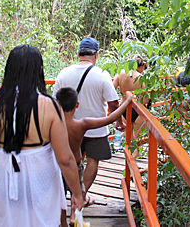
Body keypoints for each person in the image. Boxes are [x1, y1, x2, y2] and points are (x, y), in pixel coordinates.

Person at [0, 45, 84, 226]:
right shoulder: (49, 107)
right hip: (39, 181)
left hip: (3, 179)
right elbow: (65, 159)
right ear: (39, 71)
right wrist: (77, 194)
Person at [52, 37, 123, 207]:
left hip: (68, 129)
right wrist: (118, 122)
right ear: (96, 55)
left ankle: (69, 196)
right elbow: (113, 104)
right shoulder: (102, 75)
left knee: (71, 161)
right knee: (92, 161)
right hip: (95, 129)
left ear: (78, 54)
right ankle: (81, 197)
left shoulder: (63, 73)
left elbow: (54, 102)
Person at [55, 88, 132, 226]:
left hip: (57, 165)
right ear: (77, 105)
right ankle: (74, 217)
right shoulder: (81, 124)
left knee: (59, 195)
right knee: (77, 193)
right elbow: (111, 118)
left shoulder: (52, 124)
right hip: (75, 165)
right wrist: (127, 102)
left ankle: (62, 223)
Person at [112, 55, 151, 140]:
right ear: (142, 66)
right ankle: (135, 153)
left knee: (128, 137)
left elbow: (111, 90)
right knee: (136, 139)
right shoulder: (141, 77)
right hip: (138, 109)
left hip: (123, 108)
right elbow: (146, 98)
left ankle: (128, 152)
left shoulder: (120, 74)